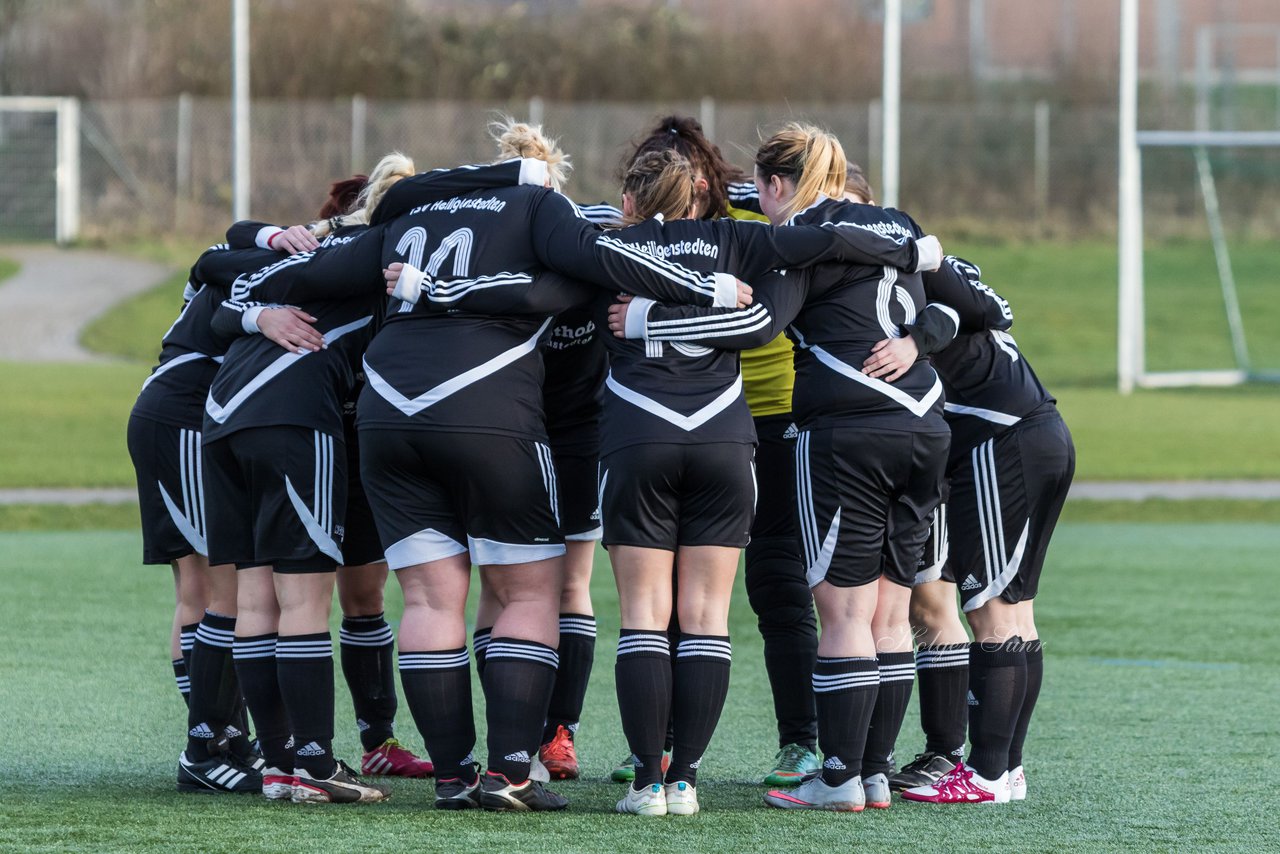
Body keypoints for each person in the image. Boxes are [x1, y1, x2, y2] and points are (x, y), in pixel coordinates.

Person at [228, 120, 767, 813]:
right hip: (486, 405)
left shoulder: (412, 205)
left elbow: (290, 271)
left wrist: (255, 313)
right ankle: (510, 770)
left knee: (427, 597)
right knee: (529, 593)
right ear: (547, 173)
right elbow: (612, 262)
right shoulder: (544, 207)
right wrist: (714, 292)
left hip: (389, 410)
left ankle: (453, 774)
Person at [607, 123, 949, 812]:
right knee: (887, 613)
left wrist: (648, 322)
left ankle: (831, 771)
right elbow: (962, 304)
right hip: (924, 427)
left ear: (772, 185)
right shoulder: (896, 227)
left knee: (833, 608)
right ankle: (873, 771)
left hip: (829, 429)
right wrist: (918, 332)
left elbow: (761, 322)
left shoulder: (779, 235)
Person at [858, 255, 1074, 805]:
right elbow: (990, 310)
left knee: (992, 614)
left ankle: (984, 774)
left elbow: (972, 314)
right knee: (1018, 612)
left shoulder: (910, 284)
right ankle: (1006, 769)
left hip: (1001, 444)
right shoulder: (949, 279)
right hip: (1040, 434)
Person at [127, 222, 317, 794]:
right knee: (217, 591)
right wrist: (276, 240)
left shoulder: (244, 256)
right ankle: (205, 746)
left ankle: (224, 737)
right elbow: (219, 255)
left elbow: (225, 244)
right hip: (183, 413)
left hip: (180, 412)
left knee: (201, 589)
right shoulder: (244, 263)